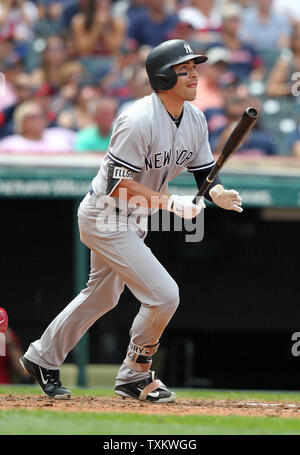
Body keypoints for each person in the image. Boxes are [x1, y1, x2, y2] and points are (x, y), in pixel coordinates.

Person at [19, 39, 243, 402]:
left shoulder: (196, 118)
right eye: (183, 70)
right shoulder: (137, 119)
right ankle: (134, 375)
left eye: (194, 68)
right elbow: (116, 186)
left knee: (102, 296)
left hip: (134, 219)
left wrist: (216, 192)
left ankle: (41, 357)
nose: (194, 75)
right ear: (162, 77)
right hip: (105, 215)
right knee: (163, 295)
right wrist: (172, 204)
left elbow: (204, 170)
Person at [0, 100, 75, 154]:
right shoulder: (8, 145)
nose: (37, 120)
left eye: (40, 116)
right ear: (21, 121)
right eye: (32, 117)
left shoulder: (61, 135)